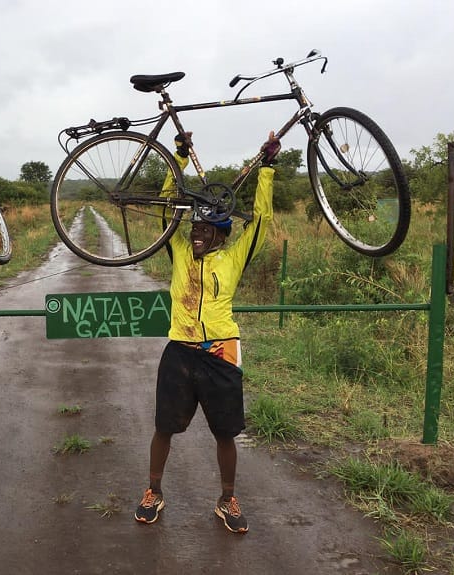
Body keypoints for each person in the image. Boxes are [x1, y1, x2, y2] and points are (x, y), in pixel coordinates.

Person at [134, 131, 280, 534]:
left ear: (221, 235)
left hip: (221, 350)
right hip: (179, 348)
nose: (196, 234)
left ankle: (227, 499)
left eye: (206, 231)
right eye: (195, 229)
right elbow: (168, 207)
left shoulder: (234, 257)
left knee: (225, 431)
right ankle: (153, 491)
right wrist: (177, 157)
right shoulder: (179, 249)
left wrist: (266, 169)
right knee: (164, 426)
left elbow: (262, 220)